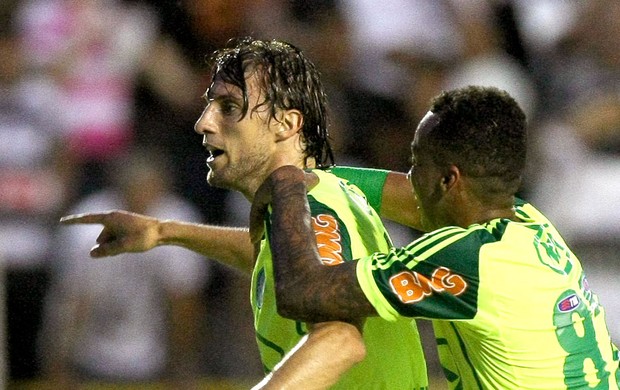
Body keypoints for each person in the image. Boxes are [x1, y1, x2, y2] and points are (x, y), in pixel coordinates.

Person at [60, 37, 429, 389]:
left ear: (286, 124)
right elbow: (279, 258)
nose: (202, 123)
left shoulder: (315, 211)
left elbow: (340, 339)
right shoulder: (309, 202)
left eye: (229, 107)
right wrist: (164, 232)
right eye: (209, 105)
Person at [251, 85, 620, 389]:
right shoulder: (527, 223)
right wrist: (314, 178)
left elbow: (305, 292)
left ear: (448, 180)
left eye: (416, 162)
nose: (409, 176)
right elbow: (401, 195)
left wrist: (285, 184)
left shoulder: (466, 258)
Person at [40, 148, 209, 387]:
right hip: (90, 358)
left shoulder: (179, 223)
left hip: (153, 358)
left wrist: (181, 366)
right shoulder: (85, 230)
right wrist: (59, 366)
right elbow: (71, 303)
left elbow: (184, 305)